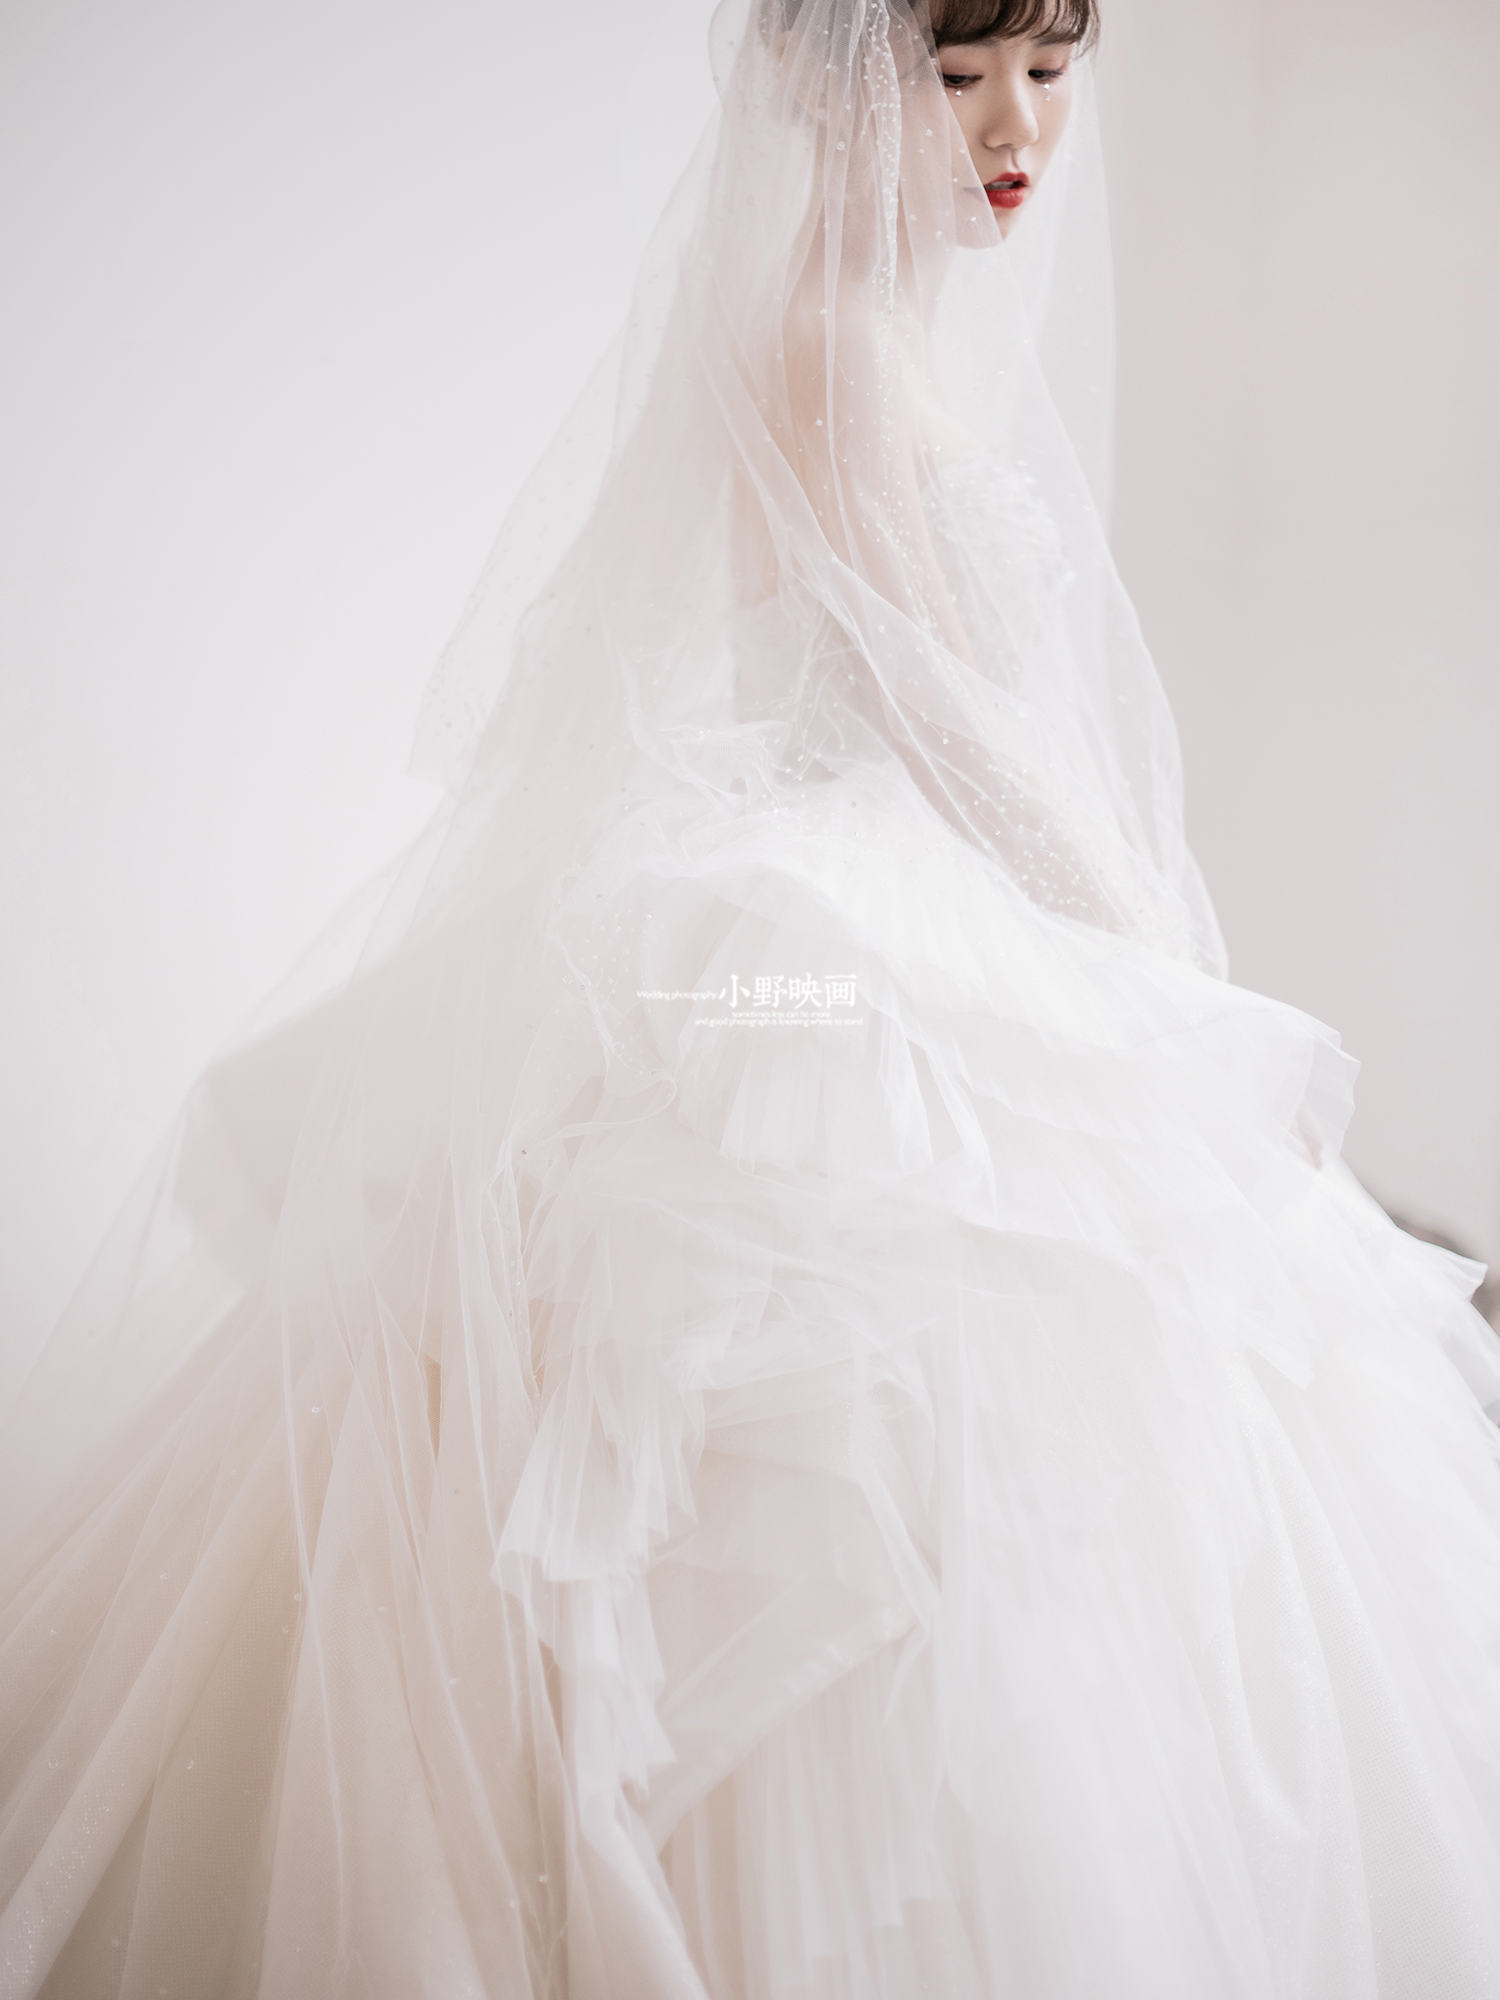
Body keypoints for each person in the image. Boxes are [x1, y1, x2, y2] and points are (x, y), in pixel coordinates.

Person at [3, 1, 1499, 1993]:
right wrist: (1160, 968)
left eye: (1053, 72)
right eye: (957, 75)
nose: (1015, 127)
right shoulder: (837, 341)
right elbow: (937, 716)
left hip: (891, 908)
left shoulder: (884, 329)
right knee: (831, 1453)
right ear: (834, 78)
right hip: (839, 936)